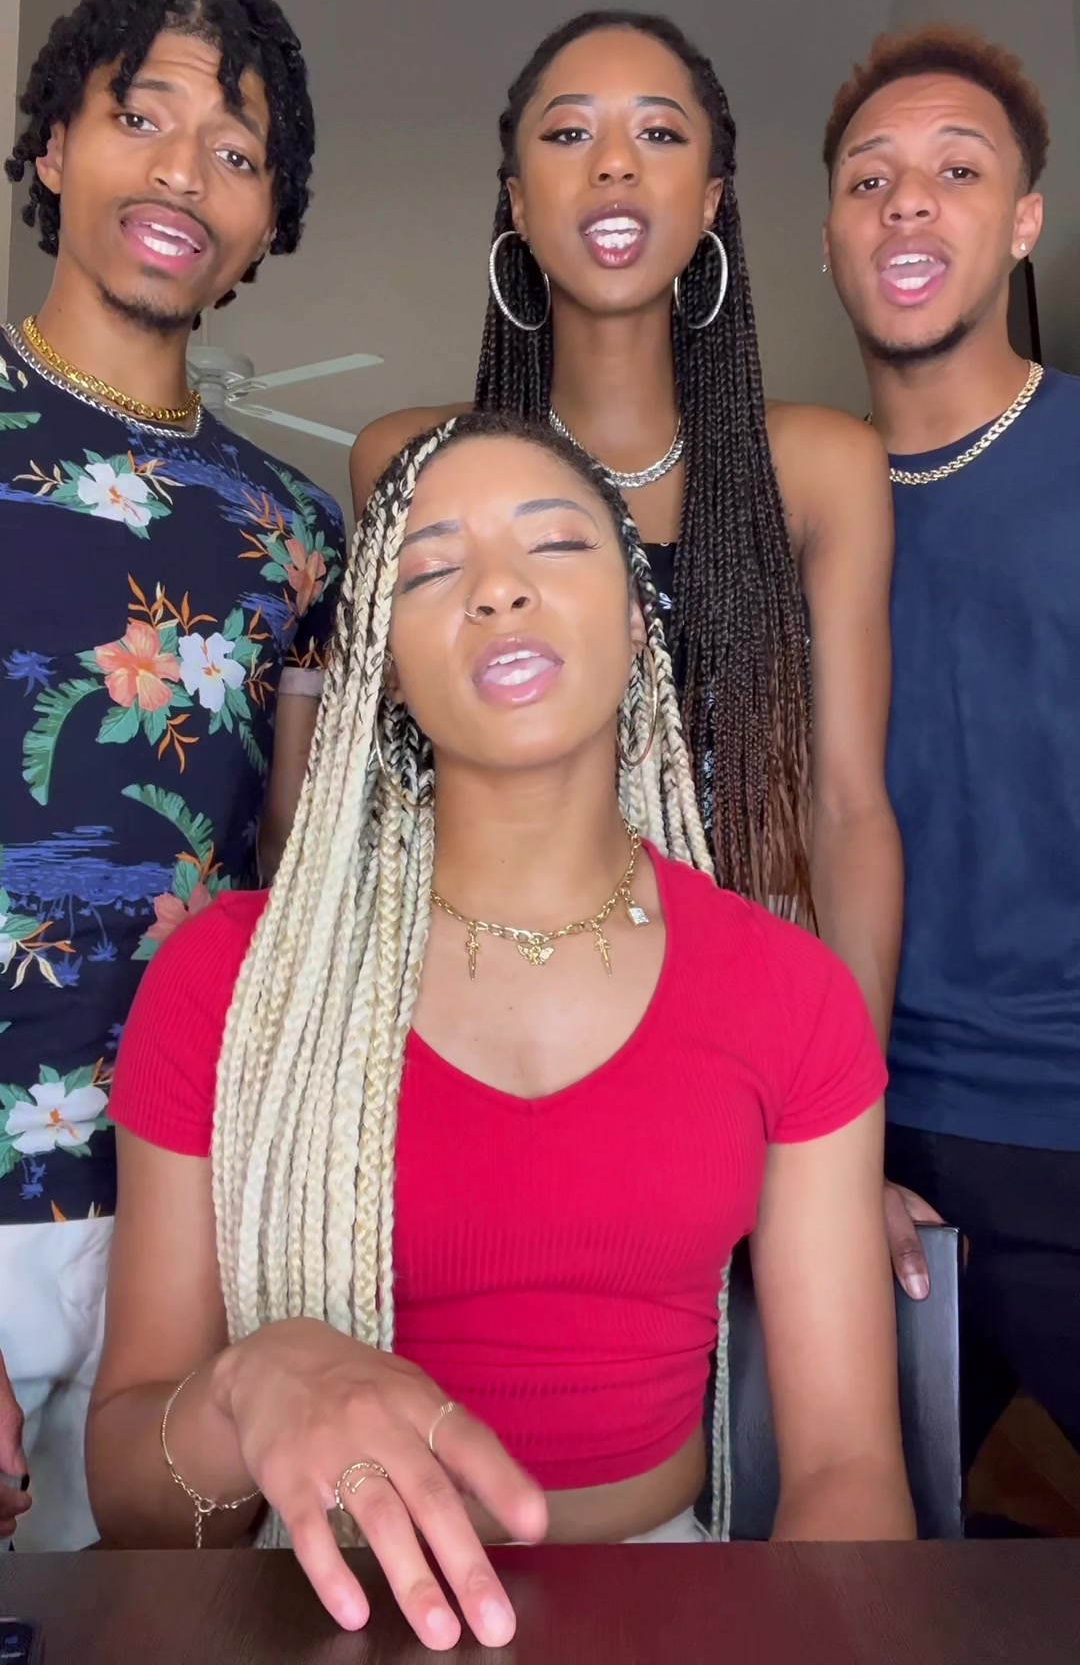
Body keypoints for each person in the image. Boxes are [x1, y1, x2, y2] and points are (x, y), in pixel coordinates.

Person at [93, 415, 911, 1646]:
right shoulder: (229, 982)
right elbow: (130, 1503)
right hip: (322, 1609)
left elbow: (848, 1467)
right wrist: (250, 1385)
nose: (497, 588)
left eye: (557, 545)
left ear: (639, 625)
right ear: (384, 665)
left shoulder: (789, 992)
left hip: (668, 1608)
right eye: (430, 569)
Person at [350, 11, 901, 1048]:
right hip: (493, 1012)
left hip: (747, 1016)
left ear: (711, 199)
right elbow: (390, 800)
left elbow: (847, 809)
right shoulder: (409, 465)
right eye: (569, 134)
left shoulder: (824, 468)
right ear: (518, 202)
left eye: (658, 133)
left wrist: (846, 1095)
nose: (613, 164)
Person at [0, 0, 345, 1550]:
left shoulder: (298, 532)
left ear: (267, 223)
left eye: (236, 150)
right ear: (53, 147)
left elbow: (303, 878)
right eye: (142, 119)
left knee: (154, 1628)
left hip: (191, 1213)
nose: (184, 175)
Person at [823, 24, 1080, 1481]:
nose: (907, 200)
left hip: (1066, 1124)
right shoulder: (790, 509)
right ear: (829, 242)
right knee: (841, 1577)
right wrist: (823, 1149)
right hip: (859, 1146)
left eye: (957, 171)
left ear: (1024, 221)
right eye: (870, 179)